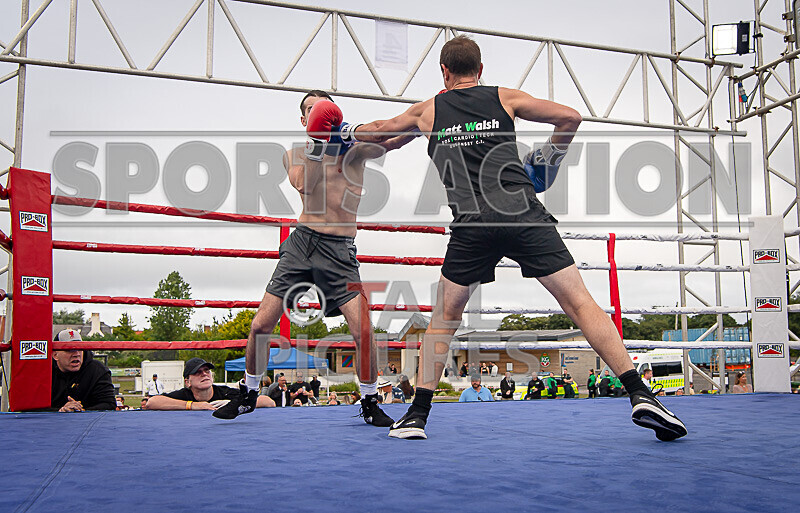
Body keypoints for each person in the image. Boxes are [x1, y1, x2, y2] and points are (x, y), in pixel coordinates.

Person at [349, 35, 686, 442]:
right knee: (580, 303)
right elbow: (570, 117)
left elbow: (382, 131)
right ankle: (638, 393)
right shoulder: (505, 97)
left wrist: (340, 131)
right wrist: (546, 163)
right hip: (522, 211)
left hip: (472, 225)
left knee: (443, 320)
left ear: (443, 72)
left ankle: (417, 415)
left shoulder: (428, 110)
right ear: (481, 69)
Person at [213, 90, 415, 427]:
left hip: (340, 252)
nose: (317, 113)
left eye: (323, 108)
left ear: (335, 114)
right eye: (311, 110)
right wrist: (319, 144)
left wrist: (429, 123)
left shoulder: (355, 150)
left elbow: (392, 139)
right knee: (262, 324)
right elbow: (305, 184)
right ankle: (248, 393)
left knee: (364, 330)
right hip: (302, 245)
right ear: (304, 119)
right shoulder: (293, 153)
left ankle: (369, 401)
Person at [145, 358, 274, 411]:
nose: (204, 374)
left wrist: (234, 403)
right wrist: (192, 405)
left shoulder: (225, 392)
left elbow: (268, 402)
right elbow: (151, 402)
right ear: (187, 382)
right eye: (198, 372)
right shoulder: (183, 395)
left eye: (207, 370)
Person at [50, 329, 116, 412]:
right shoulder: (44, 372)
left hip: (89, 422)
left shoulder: (97, 370)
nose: (76, 354)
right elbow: (33, 408)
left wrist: (80, 411)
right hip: (52, 422)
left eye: (80, 348)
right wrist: (60, 411)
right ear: (55, 355)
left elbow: (109, 404)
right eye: (70, 349)